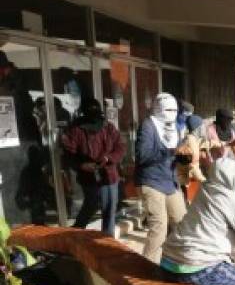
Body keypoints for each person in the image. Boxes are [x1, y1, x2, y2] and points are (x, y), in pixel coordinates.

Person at [60, 97, 125, 236]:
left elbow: (120, 147)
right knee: (91, 204)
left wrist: (108, 158)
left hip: (109, 174)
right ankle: (76, 232)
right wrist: (82, 165)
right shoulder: (75, 130)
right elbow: (68, 154)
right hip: (88, 175)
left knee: (109, 207)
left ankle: (107, 240)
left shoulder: (108, 127)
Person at [136, 92, 187, 263]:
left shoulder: (175, 127)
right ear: (158, 108)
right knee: (159, 228)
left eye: (174, 109)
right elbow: (143, 156)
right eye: (168, 109)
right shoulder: (148, 126)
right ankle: (148, 267)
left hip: (170, 182)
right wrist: (170, 152)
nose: (172, 112)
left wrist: (183, 156)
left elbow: (175, 154)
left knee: (182, 223)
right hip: (151, 181)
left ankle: (172, 261)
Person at [175, 114, 208, 204]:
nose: (204, 128)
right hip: (179, 182)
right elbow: (193, 167)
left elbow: (204, 144)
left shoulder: (191, 139)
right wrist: (205, 181)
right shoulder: (191, 142)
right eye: (203, 126)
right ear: (197, 129)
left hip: (181, 181)